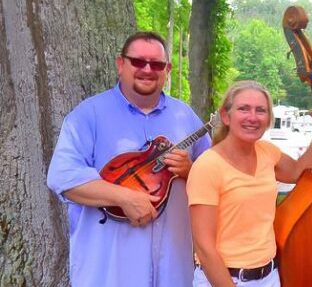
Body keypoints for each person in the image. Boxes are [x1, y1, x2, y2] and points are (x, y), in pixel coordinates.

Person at [47, 31, 211, 286]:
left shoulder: (186, 117)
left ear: (167, 69)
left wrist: (191, 171)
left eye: (157, 64)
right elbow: (62, 176)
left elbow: (215, 178)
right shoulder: (88, 115)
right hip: (109, 271)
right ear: (120, 64)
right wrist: (123, 197)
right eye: (138, 61)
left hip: (172, 271)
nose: (147, 69)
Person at [186, 80, 312, 287]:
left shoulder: (267, 151)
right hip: (223, 279)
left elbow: (297, 171)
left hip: (268, 277)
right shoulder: (207, 166)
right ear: (226, 116)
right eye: (243, 109)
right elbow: (204, 247)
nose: (252, 117)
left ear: (268, 118)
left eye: (260, 110)